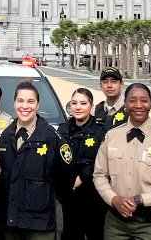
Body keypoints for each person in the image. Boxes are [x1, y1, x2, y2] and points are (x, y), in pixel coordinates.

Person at [93, 83, 151, 240]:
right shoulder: (111, 136)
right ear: (125, 103)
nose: (138, 105)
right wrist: (113, 198)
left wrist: (142, 199)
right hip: (116, 224)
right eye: (132, 100)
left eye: (144, 100)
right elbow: (100, 175)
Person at [0, 81, 68, 240]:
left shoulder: (51, 137)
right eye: (20, 101)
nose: (25, 106)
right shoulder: (6, 135)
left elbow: (66, 177)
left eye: (30, 101)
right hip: (11, 220)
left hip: (41, 223)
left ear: (38, 105)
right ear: (14, 103)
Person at [57, 88, 107, 240]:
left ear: (91, 107)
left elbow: (103, 162)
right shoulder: (62, 129)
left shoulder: (101, 131)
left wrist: (83, 176)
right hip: (68, 197)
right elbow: (59, 160)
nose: (78, 107)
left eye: (83, 103)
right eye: (74, 103)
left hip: (93, 198)